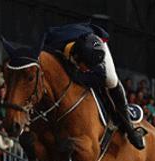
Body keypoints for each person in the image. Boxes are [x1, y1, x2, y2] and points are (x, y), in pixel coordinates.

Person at [42, 22, 145, 150]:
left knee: (111, 80)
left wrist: (78, 77)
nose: (88, 70)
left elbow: (98, 76)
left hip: (96, 42)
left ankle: (130, 128)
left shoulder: (92, 59)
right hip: (71, 40)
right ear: (76, 57)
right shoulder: (52, 45)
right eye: (87, 67)